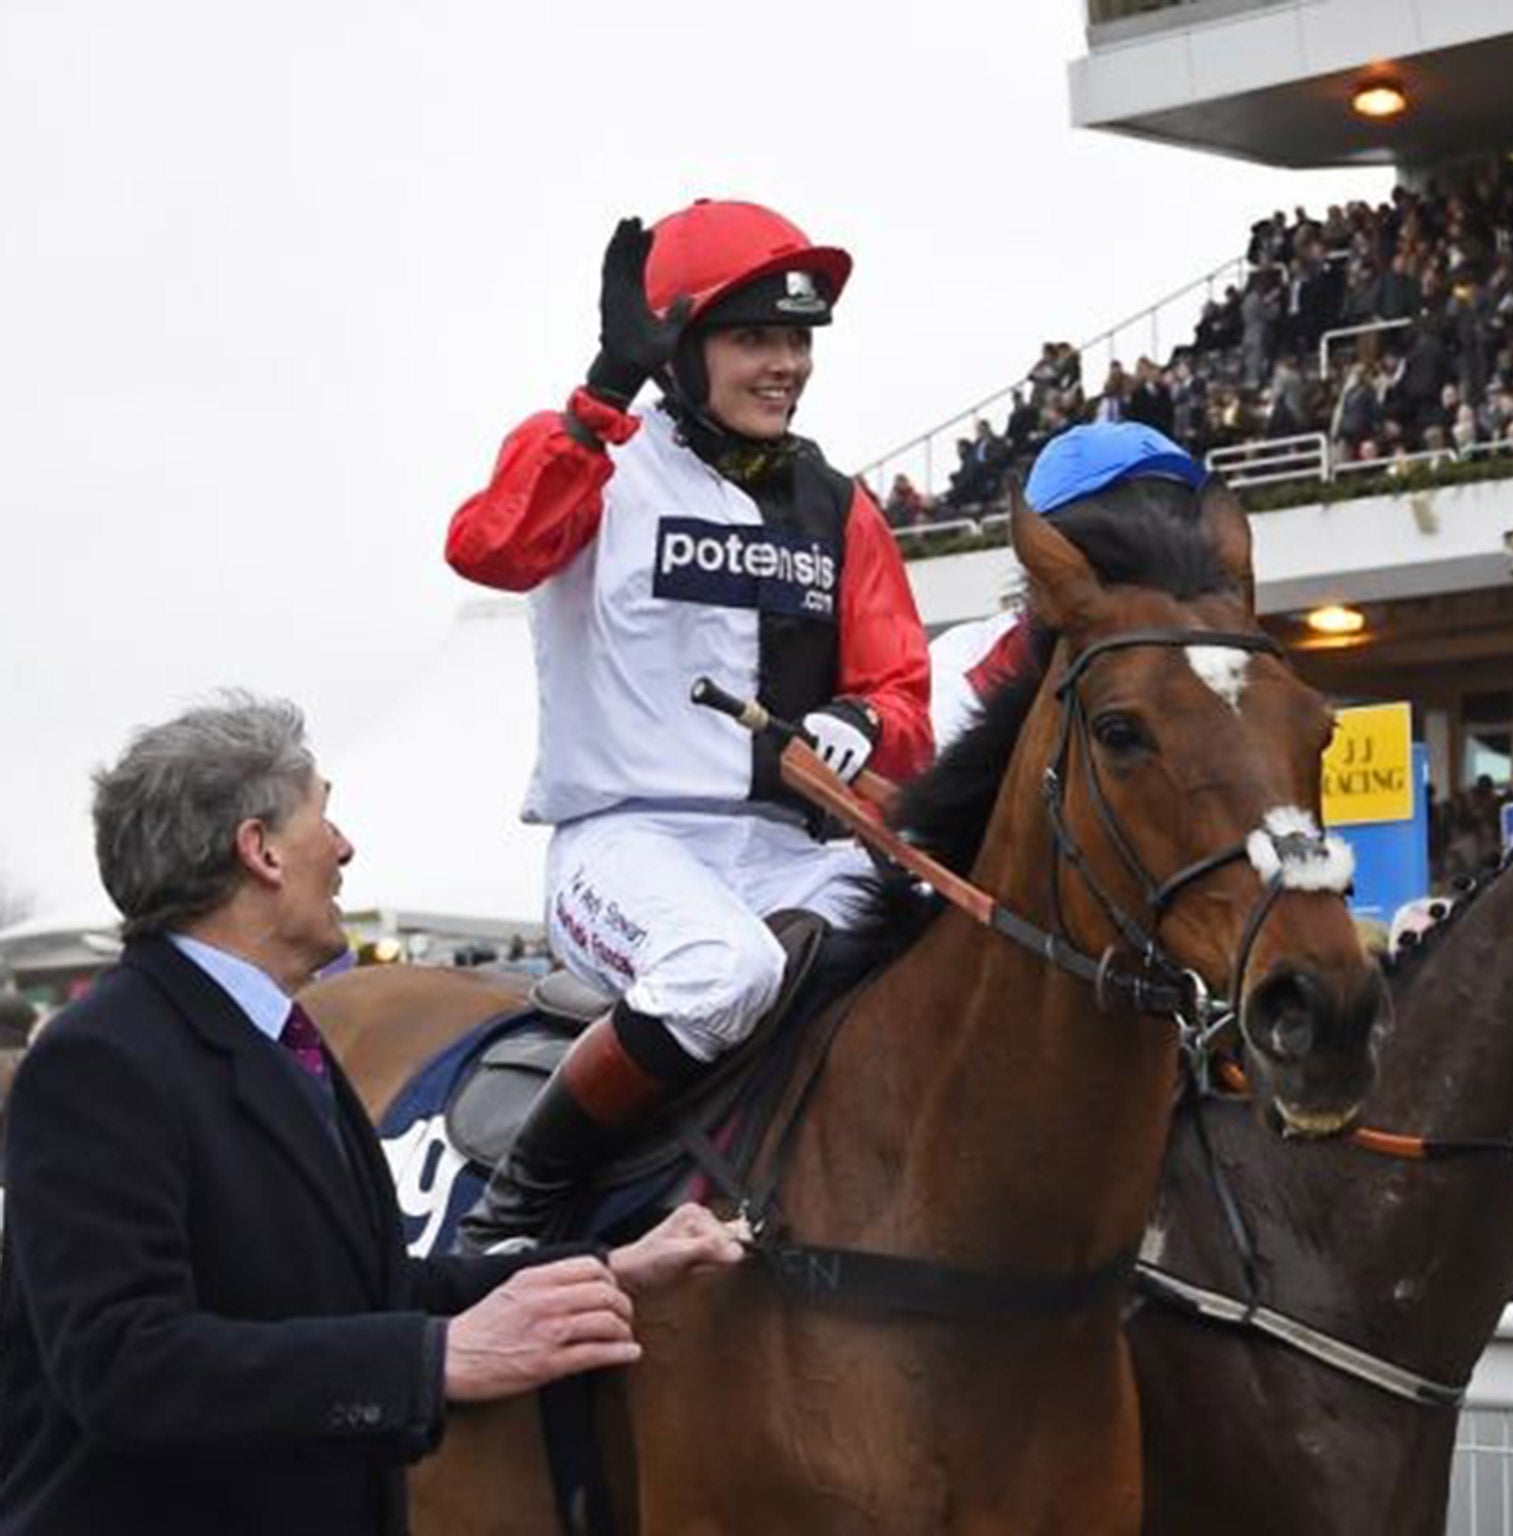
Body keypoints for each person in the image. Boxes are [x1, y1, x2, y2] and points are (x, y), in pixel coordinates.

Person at [0, 696, 744, 1535]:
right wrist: (430, 1365)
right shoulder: (101, 1060)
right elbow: (125, 1365)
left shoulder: (283, 1037)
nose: (345, 846)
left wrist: (607, 1268)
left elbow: (377, 1286)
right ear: (261, 850)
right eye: (324, 811)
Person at [444, 199, 932, 1253]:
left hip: (789, 853)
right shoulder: (588, 455)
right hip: (626, 845)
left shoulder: (841, 506)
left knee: (942, 950)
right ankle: (515, 1207)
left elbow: (903, 694)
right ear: (676, 348)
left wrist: (864, 720)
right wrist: (604, 391)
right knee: (725, 972)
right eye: (754, 337)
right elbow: (489, 551)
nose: (786, 365)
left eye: (797, 340)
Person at [927, 420, 1209, 754]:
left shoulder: (1221, 666)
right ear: (1045, 548)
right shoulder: (960, 673)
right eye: (1137, 517)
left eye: (1179, 513)